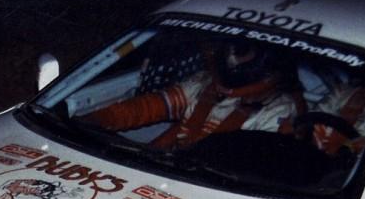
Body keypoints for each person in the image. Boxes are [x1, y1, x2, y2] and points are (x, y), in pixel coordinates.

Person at [84, 40, 302, 150]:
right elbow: (143, 108)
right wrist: (94, 121)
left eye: (238, 77)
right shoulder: (205, 83)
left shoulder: (280, 114)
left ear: (272, 77)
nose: (224, 87)